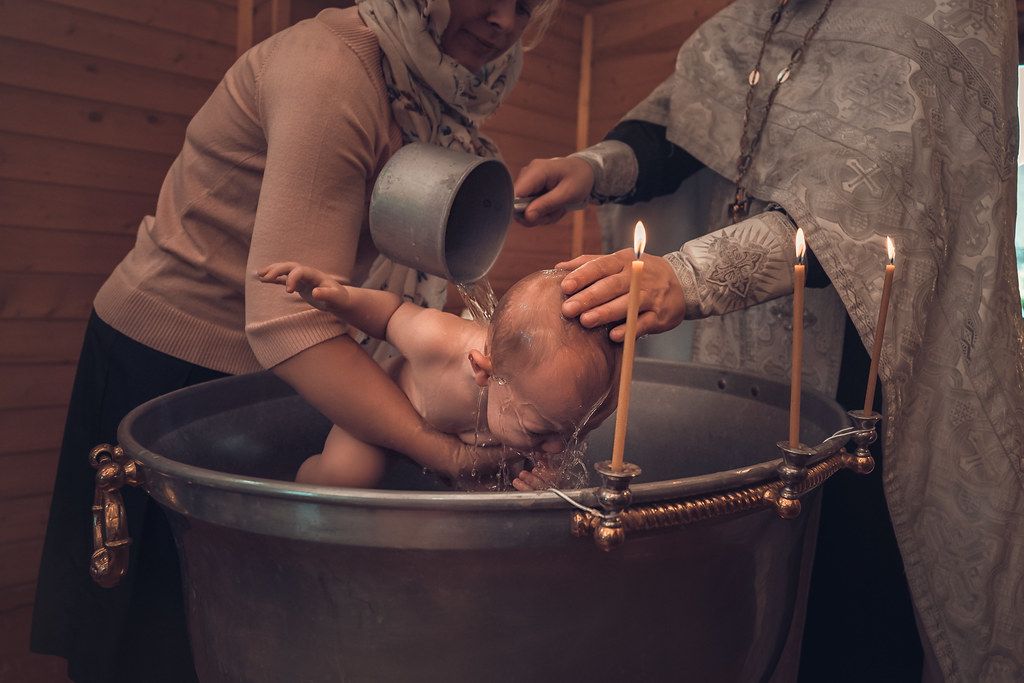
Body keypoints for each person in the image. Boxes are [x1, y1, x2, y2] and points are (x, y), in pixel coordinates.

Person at [30, 1, 558, 680]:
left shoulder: (437, 100)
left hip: (287, 366)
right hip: (169, 358)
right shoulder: (333, 72)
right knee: (143, 638)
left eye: (528, 6)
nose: (506, 23)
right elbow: (288, 316)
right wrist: (439, 450)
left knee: (225, 627)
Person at [513, 1, 1024, 681]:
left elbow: (874, 207)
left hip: (871, 367)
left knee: (849, 606)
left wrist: (692, 276)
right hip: (742, 344)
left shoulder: (952, 12)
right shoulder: (749, 21)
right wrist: (595, 168)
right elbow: (689, 124)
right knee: (746, 600)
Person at [258, 263, 618, 489]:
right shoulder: (440, 343)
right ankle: (294, 487)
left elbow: (554, 445)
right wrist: (340, 298)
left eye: (577, 429)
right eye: (540, 431)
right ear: (483, 371)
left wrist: (546, 477)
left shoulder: (549, 407)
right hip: (386, 415)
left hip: (462, 447)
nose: (558, 445)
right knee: (347, 476)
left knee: (494, 498)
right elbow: (391, 315)